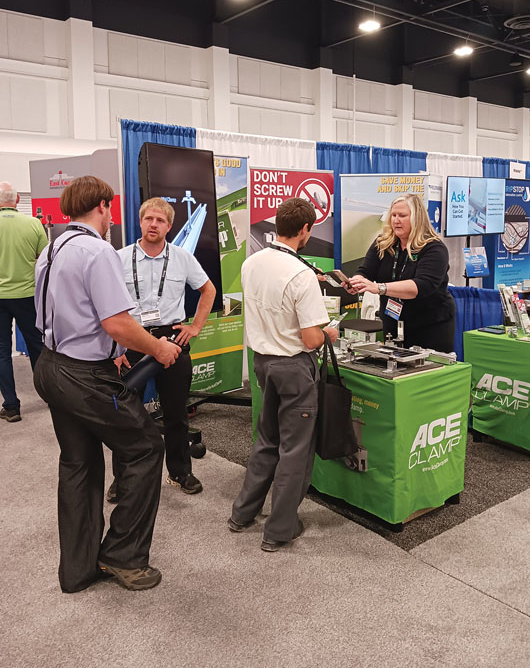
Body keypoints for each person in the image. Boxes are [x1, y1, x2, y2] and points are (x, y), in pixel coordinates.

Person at [33, 176, 181, 594]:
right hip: (83, 376)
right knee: (146, 447)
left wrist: (113, 346)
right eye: (111, 208)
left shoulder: (52, 248)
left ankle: (77, 570)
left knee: (78, 463)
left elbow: (72, 311)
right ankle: (122, 556)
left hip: (51, 366)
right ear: (103, 206)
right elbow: (116, 322)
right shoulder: (97, 251)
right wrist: (159, 349)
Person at [228, 197, 339, 552]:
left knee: (267, 440)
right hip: (293, 368)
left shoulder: (252, 262)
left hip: (263, 362)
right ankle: (280, 529)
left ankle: (242, 514)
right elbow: (310, 338)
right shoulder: (300, 275)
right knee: (295, 451)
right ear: (306, 230)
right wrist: (329, 333)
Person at [107, 197, 216, 501]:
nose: (153, 224)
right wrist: (114, 349)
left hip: (172, 340)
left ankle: (181, 471)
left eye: (160, 220)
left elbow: (208, 290)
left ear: (169, 226)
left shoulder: (182, 257)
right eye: (148, 219)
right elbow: (107, 308)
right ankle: (123, 477)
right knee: (126, 416)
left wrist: (195, 327)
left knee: (177, 413)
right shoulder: (119, 258)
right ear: (140, 222)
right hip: (131, 340)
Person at [348, 194, 456, 352]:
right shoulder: (383, 243)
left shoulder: (434, 248)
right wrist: (356, 282)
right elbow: (364, 271)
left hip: (430, 326)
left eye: (402, 216)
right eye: (393, 215)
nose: (396, 220)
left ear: (417, 218)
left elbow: (421, 286)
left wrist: (380, 288)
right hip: (393, 322)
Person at [0, 181, 47, 423]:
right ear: (18, 200)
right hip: (27, 295)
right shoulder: (33, 224)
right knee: (37, 346)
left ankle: (11, 406)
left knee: (1, 353)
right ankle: (50, 395)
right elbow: (44, 259)